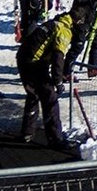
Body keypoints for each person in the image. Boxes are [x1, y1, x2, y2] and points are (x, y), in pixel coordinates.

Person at [16, 10, 77, 152]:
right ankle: (55, 139)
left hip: (23, 59)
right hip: (35, 63)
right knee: (50, 99)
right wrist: (58, 81)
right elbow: (58, 56)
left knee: (33, 94)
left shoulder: (51, 23)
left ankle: (27, 132)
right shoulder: (64, 30)